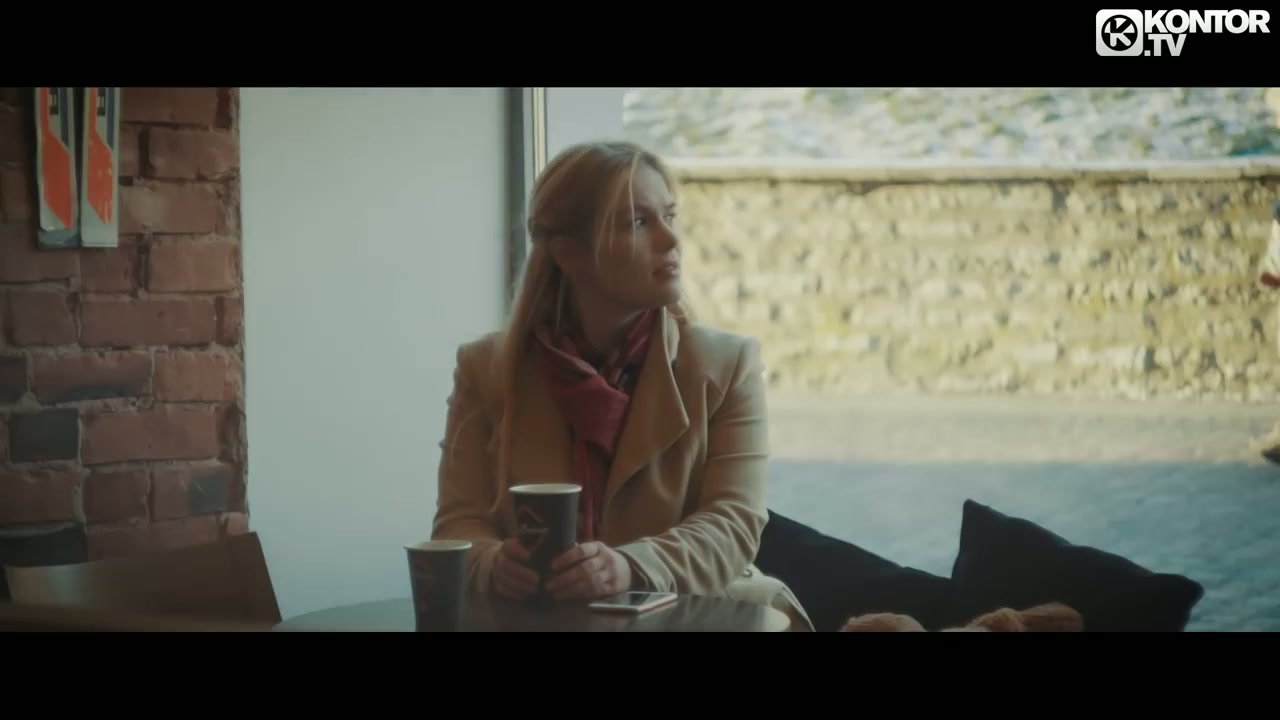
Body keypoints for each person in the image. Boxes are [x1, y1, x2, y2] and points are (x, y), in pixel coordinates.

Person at [430, 140, 814, 631]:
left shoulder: (725, 364)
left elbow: (734, 522)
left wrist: (629, 566)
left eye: (669, 216)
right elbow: (457, 525)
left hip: (695, 616)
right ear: (568, 252)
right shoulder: (487, 369)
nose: (671, 240)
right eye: (637, 222)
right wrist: (491, 562)